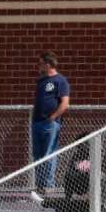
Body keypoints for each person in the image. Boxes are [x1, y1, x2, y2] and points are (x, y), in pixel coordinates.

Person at [31, 51, 70, 193]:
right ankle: (40, 184)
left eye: (40, 63)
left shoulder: (60, 81)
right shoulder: (41, 81)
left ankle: (49, 184)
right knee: (38, 154)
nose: (38, 66)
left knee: (49, 153)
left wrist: (53, 117)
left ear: (47, 65)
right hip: (37, 121)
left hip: (50, 123)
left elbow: (64, 102)